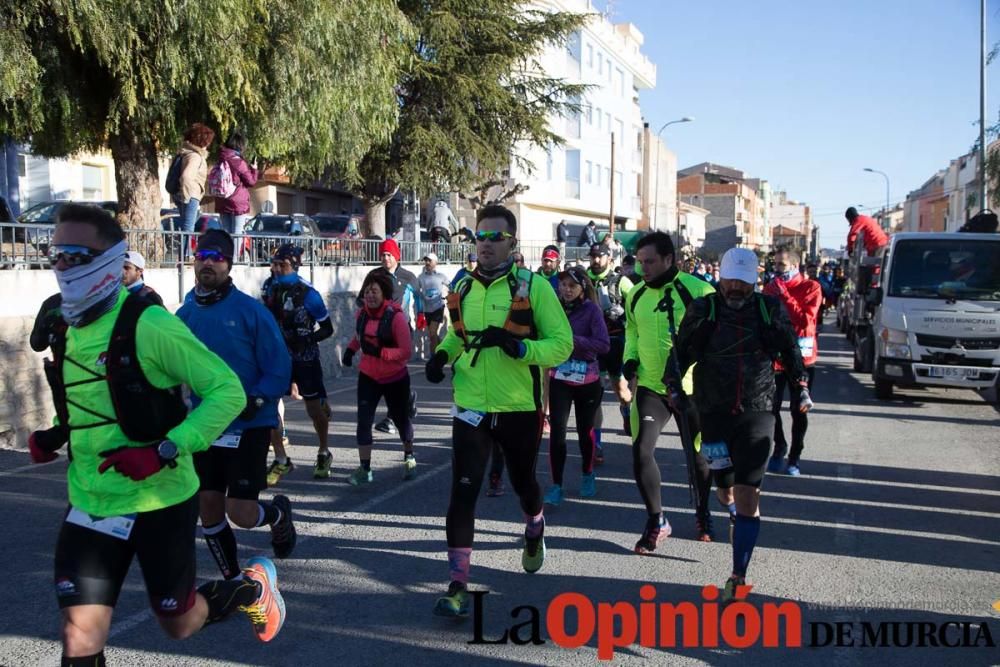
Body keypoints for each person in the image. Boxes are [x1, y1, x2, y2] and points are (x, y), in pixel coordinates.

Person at [28, 204, 285, 663]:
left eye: (74, 253)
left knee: (178, 622)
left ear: (110, 260)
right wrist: (52, 436)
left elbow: (226, 392)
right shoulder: (63, 325)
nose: (61, 263)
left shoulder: (150, 323)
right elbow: (89, 403)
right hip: (91, 500)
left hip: (160, 498)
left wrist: (166, 448)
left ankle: (249, 590)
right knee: (79, 634)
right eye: (55, 253)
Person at [426, 204, 572, 617]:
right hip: (471, 405)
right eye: (480, 237)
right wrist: (440, 356)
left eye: (495, 237)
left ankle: (534, 525)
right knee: (463, 490)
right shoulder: (464, 284)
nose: (486, 245)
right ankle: (457, 584)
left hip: (518, 407)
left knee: (523, 481)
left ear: (510, 241)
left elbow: (562, 344)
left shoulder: (533, 286)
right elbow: (457, 335)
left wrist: (521, 348)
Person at [665, 247, 812, 602]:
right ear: (721, 279)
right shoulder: (705, 308)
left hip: (758, 409)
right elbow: (682, 350)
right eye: (730, 280)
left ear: (754, 281)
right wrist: (672, 385)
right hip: (712, 410)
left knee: (749, 493)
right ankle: (731, 511)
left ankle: (738, 574)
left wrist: (801, 387)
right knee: (725, 489)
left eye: (743, 283)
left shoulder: (767, 308)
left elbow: (790, 349)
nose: (736, 288)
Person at [177, 230, 296, 581]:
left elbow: (278, 364)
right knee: (208, 508)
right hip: (207, 424)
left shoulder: (251, 312)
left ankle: (277, 515)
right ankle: (233, 581)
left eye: (216, 257)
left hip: (250, 422)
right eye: (202, 256)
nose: (208, 262)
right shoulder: (183, 316)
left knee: (241, 514)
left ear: (229, 264)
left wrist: (257, 398)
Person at [623, 231, 716, 549]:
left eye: (649, 262)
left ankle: (703, 512)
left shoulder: (699, 291)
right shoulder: (634, 294)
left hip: (691, 389)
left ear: (668, 259)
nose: (643, 268)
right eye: (639, 262)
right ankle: (657, 519)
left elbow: (715, 339)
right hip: (650, 387)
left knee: (699, 459)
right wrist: (630, 361)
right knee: (641, 452)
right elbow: (632, 331)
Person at [262, 244, 335, 479]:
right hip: (278, 357)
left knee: (313, 409)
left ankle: (324, 450)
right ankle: (281, 458)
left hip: (305, 359)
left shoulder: (308, 294)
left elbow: (327, 328)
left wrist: (307, 339)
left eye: (281, 265)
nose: (276, 269)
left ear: (294, 266)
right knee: (268, 406)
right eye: (273, 264)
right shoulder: (269, 288)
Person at [343, 268, 417, 484]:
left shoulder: (396, 318)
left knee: (401, 418)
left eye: (374, 291)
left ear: (384, 293)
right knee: (363, 421)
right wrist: (350, 350)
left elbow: (405, 351)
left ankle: (409, 455)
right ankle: (365, 469)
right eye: (367, 291)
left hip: (395, 377)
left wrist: (381, 353)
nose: (370, 295)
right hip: (368, 376)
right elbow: (359, 337)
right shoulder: (362, 314)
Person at [544, 266, 609, 504]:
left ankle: (587, 473)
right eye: (563, 285)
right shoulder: (555, 308)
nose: (566, 290)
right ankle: (556, 485)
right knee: (557, 432)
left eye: (572, 286)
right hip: (560, 377)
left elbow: (603, 344)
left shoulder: (592, 310)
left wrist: (573, 341)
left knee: (584, 431)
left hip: (587, 379)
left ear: (582, 288)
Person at [763, 248, 822, 477]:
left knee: (799, 409)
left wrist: (785, 295)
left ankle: (795, 457)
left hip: (803, 359)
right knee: (770, 407)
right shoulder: (771, 287)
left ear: (795, 266)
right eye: (775, 264)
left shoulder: (811, 288)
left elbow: (806, 320)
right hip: (776, 358)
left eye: (782, 265)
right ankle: (780, 446)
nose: (777, 269)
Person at [586, 243, 635, 452]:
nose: (596, 260)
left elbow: (637, 306)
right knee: (594, 396)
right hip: (592, 344)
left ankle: (626, 410)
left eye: (600, 256)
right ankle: (596, 444)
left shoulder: (621, 281)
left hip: (615, 342)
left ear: (609, 258)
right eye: (593, 256)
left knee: (622, 391)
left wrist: (621, 313)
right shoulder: (583, 278)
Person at [373, 238, 421, 435]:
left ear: (396, 256)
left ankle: (392, 418)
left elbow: (419, 299)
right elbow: (362, 300)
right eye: (383, 254)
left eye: (388, 255)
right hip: (379, 331)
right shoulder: (374, 276)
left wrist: (421, 317)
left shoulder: (408, 277)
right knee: (385, 374)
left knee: (394, 371)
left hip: (401, 331)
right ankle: (407, 399)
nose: (385, 258)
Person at [168, 123, 214, 255]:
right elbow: (186, 177)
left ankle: (185, 255)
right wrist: (190, 194)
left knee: (188, 224)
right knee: (188, 227)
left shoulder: (185, 153)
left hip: (182, 194)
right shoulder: (195, 156)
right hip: (190, 195)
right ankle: (185, 256)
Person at [214, 131, 259, 236]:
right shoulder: (238, 162)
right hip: (237, 201)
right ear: (240, 146)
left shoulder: (220, 159)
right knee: (237, 232)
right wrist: (254, 169)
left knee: (225, 233)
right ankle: (235, 253)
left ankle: (227, 252)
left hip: (222, 199)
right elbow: (251, 182)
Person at [417, 252, 450, 354]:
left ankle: (433, 359)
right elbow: (416, 292)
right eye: (426, 260)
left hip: (438, 307)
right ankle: (443, 349)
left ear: (435, 262)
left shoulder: (441, 276)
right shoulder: (421, 277)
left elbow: (452, 286)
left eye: (429, 261)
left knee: (432, 333)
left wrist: (450, 295)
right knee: (433, 335)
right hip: (427, 309)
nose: (427, 263)